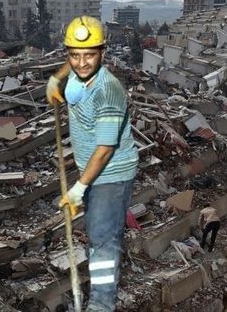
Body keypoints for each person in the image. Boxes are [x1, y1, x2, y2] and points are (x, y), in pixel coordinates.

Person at [46, 16, 139, 311]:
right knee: (96, 232)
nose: (82, 63)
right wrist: (56, 78)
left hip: (110, 174)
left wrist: (78, 188)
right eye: (75, 55)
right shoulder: (76, 71)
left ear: (103, 53)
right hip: (90, 171)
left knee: (103, 243)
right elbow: (71, 65)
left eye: (89, 55)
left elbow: (105, 149)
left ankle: (101, 306)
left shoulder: (108, 90)